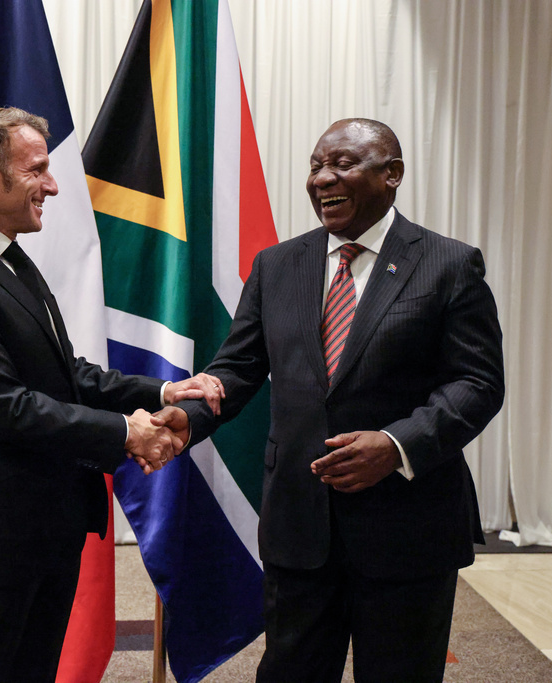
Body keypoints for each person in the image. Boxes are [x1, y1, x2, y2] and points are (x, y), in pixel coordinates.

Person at [163, 118, 504, 682]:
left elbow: (478, 382)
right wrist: (188, 417)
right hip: (300, 521)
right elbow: (238, 368)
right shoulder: (277, 265)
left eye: (342, 164)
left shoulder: (449, 264)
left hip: (407, 525)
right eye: (316, 166)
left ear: (391, 174)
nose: (323, 179)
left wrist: (397, 445)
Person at [0, 106, 220, 682]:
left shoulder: (10, 259)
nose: (52, 185)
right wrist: (128, 432)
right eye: (38, 169)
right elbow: (6, 408)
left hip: (49, 526)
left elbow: (64, 375)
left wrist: (165, 388)